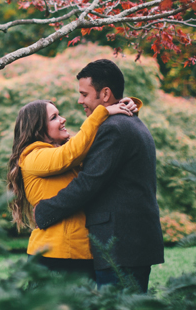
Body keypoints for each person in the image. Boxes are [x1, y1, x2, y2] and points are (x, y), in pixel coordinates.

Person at [33, 59, 164, 293]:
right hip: (131, 242)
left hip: (120, 243)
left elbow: (88, 183)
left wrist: (44, 211)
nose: (79, 100)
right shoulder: (128, 122)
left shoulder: (114, 128)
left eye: (84, 94)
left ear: (105, 94)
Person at [7, 95, 141, 279]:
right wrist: (103, 111)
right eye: (54, 118)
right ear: (37, 129)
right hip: (53, 254)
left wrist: (126, 105)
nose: (63, 120)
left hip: (82, 252)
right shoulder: (31, 157)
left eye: (59, 115)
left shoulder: (66, 150)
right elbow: (72, 152)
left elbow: (98, 140)